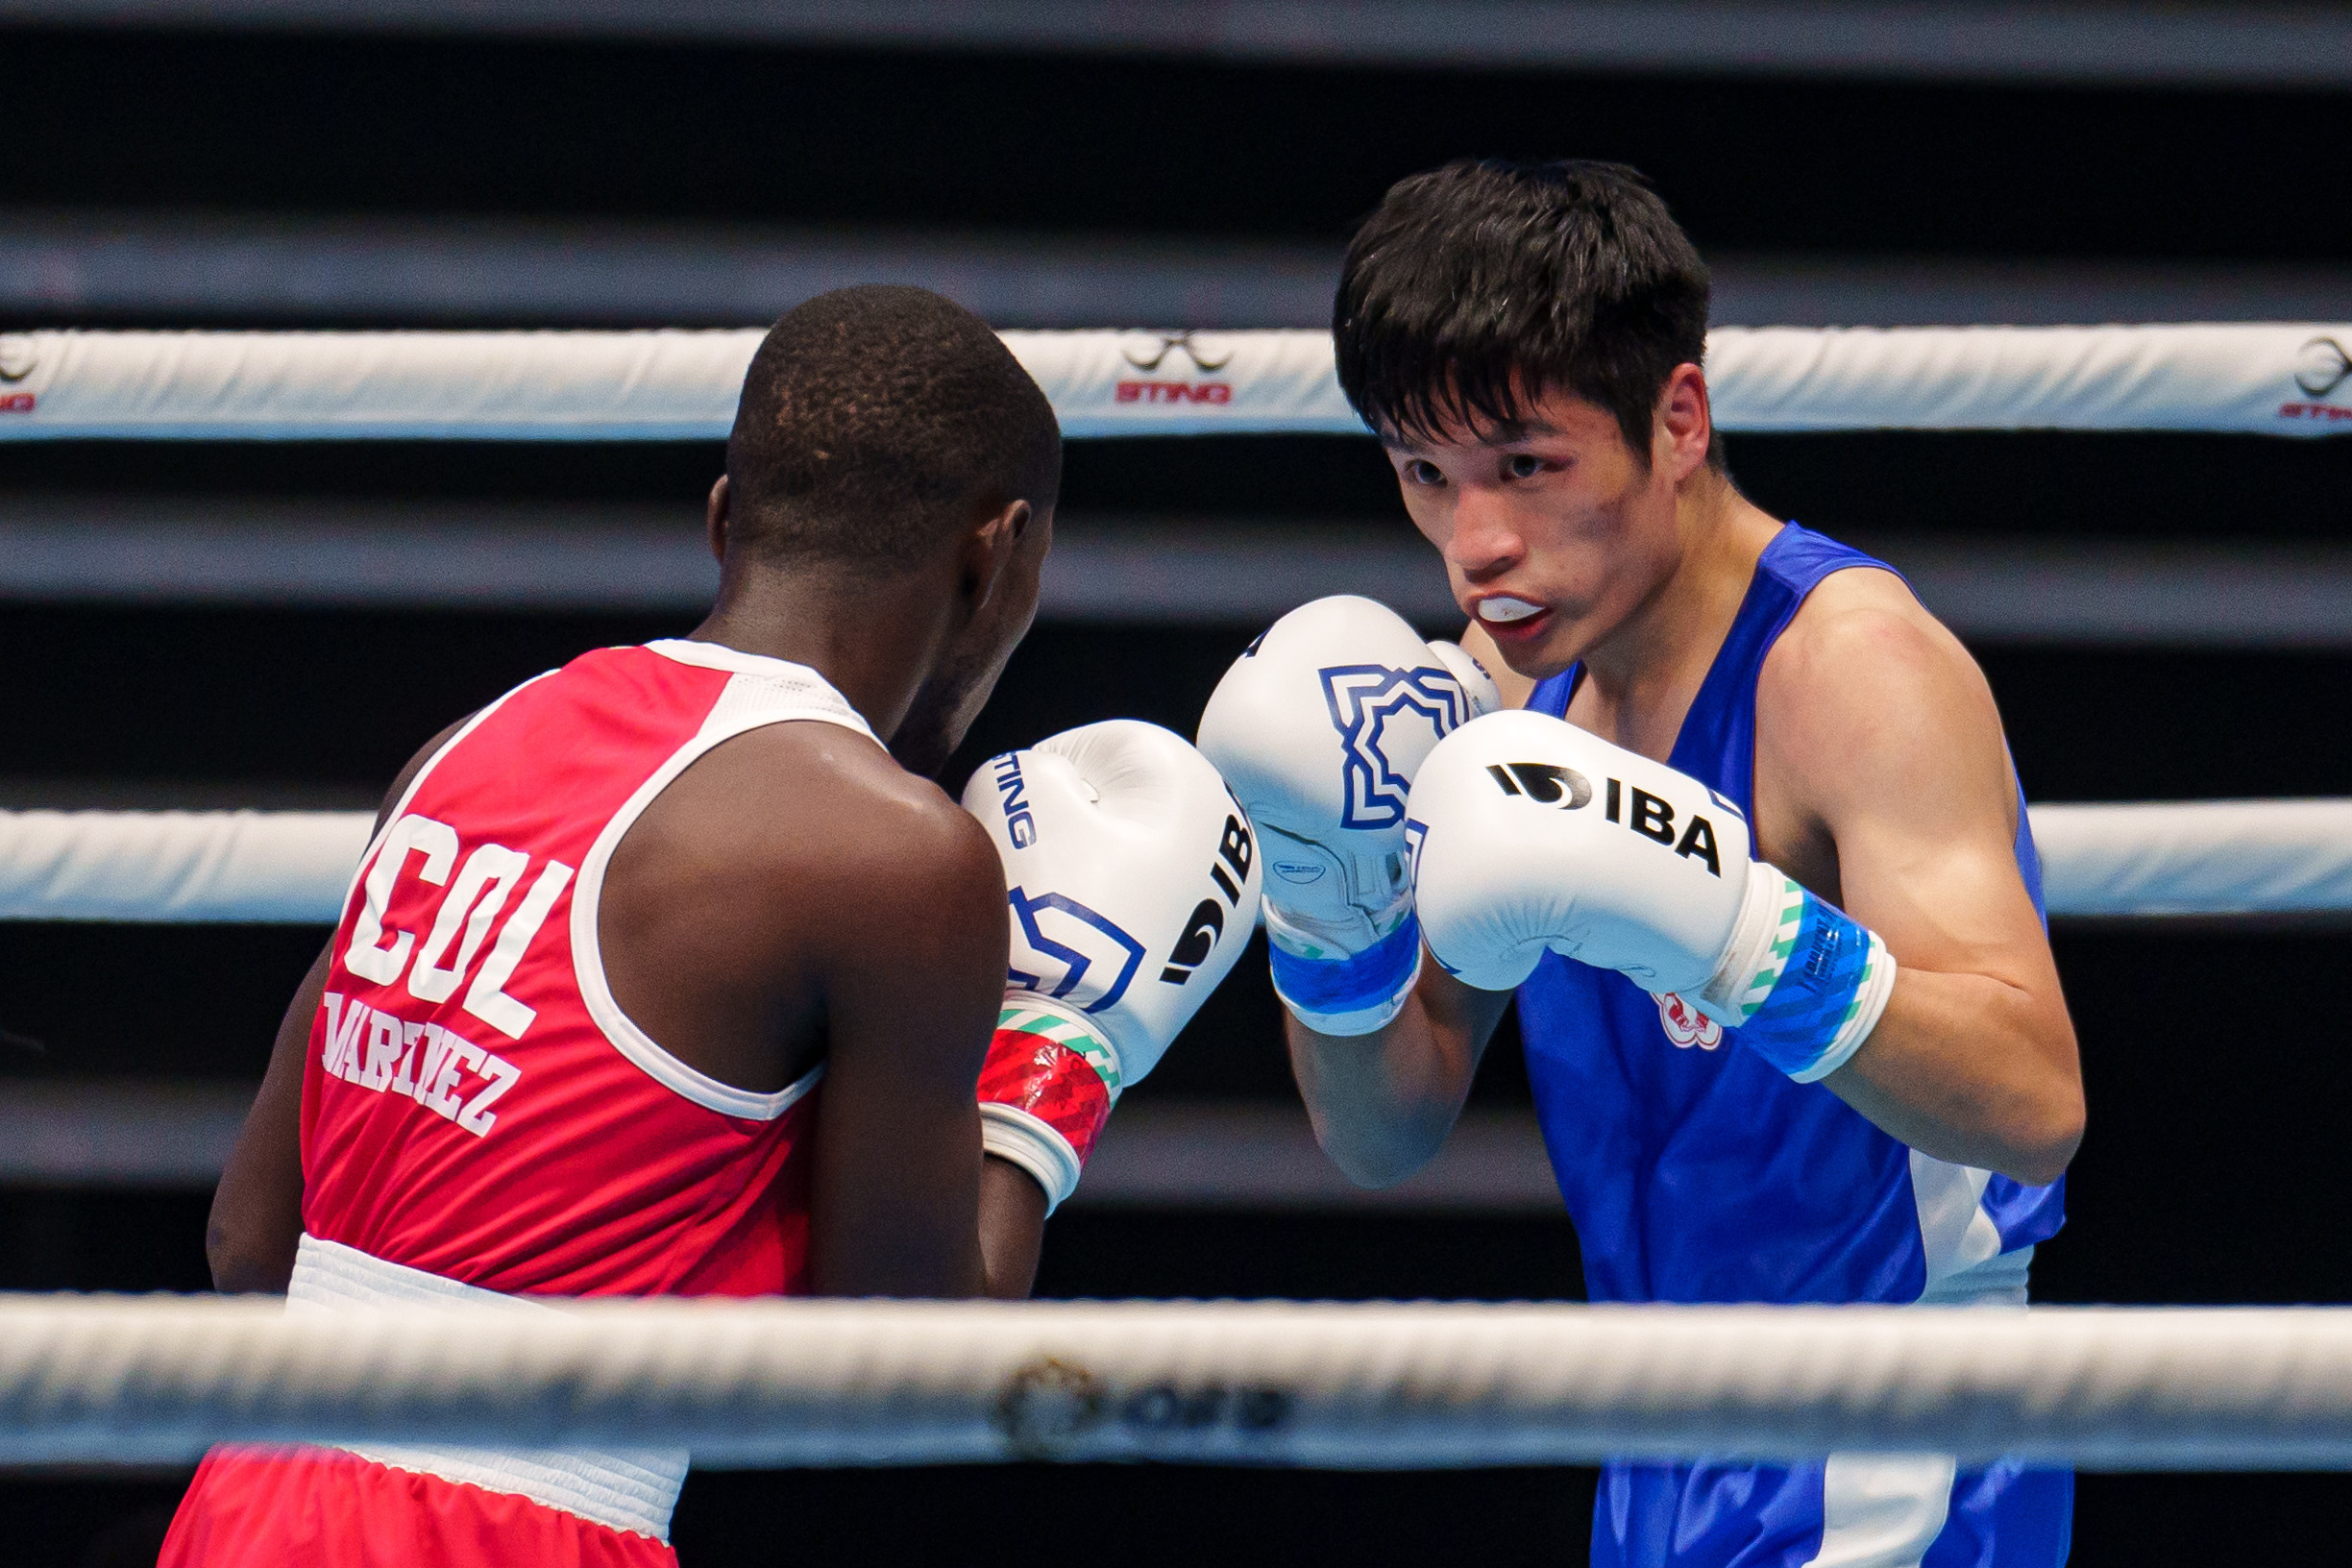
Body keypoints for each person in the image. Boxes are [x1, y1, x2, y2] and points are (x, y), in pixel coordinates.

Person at [163, 284, 1259, 1567]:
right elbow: (915, 1371)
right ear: (1001, 554)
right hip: (517, 1536)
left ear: (725, 517)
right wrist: (1061, 1047)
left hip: (247, 1499)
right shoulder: (896, 855)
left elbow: (251, 1240)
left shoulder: (468, 746)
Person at [1199, 161, 2084, 1567]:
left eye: (1527, 466)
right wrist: (1328, 919)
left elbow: (2034, 1100)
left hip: (1893, 1437)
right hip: (1656, 1441)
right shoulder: (1507, 681)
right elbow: (1386, 1134)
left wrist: (1736, 931)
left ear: (1677, 420)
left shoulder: (1854, 671)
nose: (1478, 543)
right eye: (1426, 474)